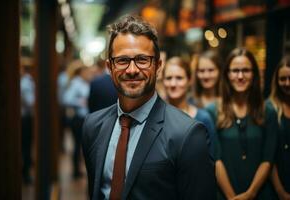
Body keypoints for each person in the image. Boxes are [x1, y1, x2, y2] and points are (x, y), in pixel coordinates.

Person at [82, 15, 215, 200]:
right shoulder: (92, 126)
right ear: (109, 67)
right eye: (122, 60)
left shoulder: (187, 134)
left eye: (142, 59)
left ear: (158, 66)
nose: (132, 70)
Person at [206, 48, 277, 200]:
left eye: (246, 70)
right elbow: (215, 159)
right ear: (227, 75)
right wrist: (232, 197)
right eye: (235, 70)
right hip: (225, 195)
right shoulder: (212, 111)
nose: (240, 76)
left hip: (260, 194)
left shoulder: (268, 111)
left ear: (254, 75)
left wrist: (250, 194)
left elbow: (268, 159)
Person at [162, 56, 215, 156]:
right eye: (168, 78)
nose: (173, 84)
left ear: (189, 80)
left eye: (179, 78)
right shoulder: (154, 115)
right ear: (163, 81)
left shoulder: (203, 118)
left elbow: (210, 158)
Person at [64, 62, 92, 178]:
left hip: (84, 118)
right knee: (77, 145)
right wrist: (80, 103)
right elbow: (66, 99)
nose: (89, 74)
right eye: (87, 72)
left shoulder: (84, 82)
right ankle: (76, 171)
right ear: (81, 72)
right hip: (78, 119)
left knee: (82, 145)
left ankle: (79, 169)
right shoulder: (76, 83)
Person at [268, 56, 290, 200]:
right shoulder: (269, 108)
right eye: (282, 79)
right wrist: (281, 192)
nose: (287, 83)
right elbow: (268, 156)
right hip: (278, 185)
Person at [20, 64, 35, 184]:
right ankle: (25, 174)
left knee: (27, 146)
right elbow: (30, 102)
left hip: (26, 117)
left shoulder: (26, 81)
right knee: (26, 146)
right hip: (25, 118)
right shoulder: (25, 83)